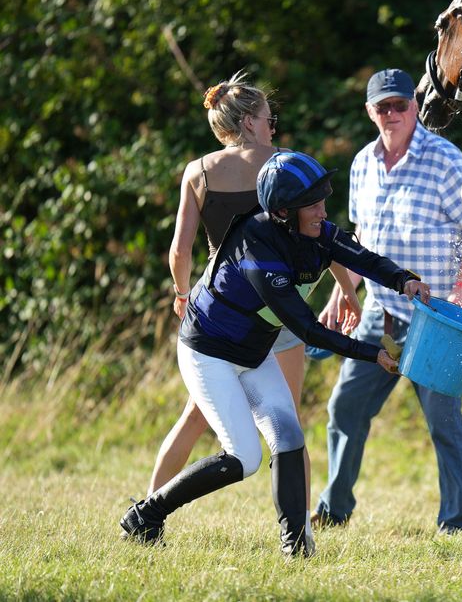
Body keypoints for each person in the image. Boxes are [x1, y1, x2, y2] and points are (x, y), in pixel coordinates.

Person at [120, 150, 428, 556]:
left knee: (289, 436)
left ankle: (296, 544)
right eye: (313, 204)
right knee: (244, 457)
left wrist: (404, 280)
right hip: (208, 353)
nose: (323, 210)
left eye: (322, 200)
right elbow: (306, 328)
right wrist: (372, 355)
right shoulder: (258, 251)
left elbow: (362, 258)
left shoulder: (313, 231)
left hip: (252, 351)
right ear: (284, 211)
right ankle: (144, 515)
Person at [150, 73, 360, 545]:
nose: (274, 128)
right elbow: (323, 235)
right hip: (279, 309)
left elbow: (178, 253)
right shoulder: (286, 166)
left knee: (194, 419)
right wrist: (346, 291)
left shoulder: (199, 172)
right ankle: (299, 532)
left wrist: (183, 295)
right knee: (286, 423)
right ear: (248, 122)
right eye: (269, 119)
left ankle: (151, 510)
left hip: (219, 311)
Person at [312, 68, 462, 533]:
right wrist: (342, 291)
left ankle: (458, 520)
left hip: (436, 317)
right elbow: (358, 240)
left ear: (415, 107)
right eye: (382, 107)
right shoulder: (362, 163)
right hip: (379, 312)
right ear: (370, 112)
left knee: (443, 420)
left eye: (400, 105)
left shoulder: (445, 158)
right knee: (345, 407)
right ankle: (334, 507)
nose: (392, 114)